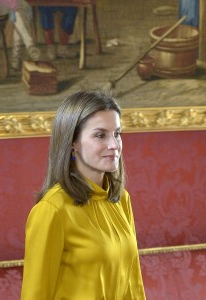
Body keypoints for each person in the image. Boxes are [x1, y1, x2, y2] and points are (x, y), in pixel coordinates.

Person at [21, 89, 146, 299]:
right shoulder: (53, 210)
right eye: (100, 135)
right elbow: (36, 294)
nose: (114, 145)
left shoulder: (121, 199)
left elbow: (133, 285)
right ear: (72, 143)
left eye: (117, 134)